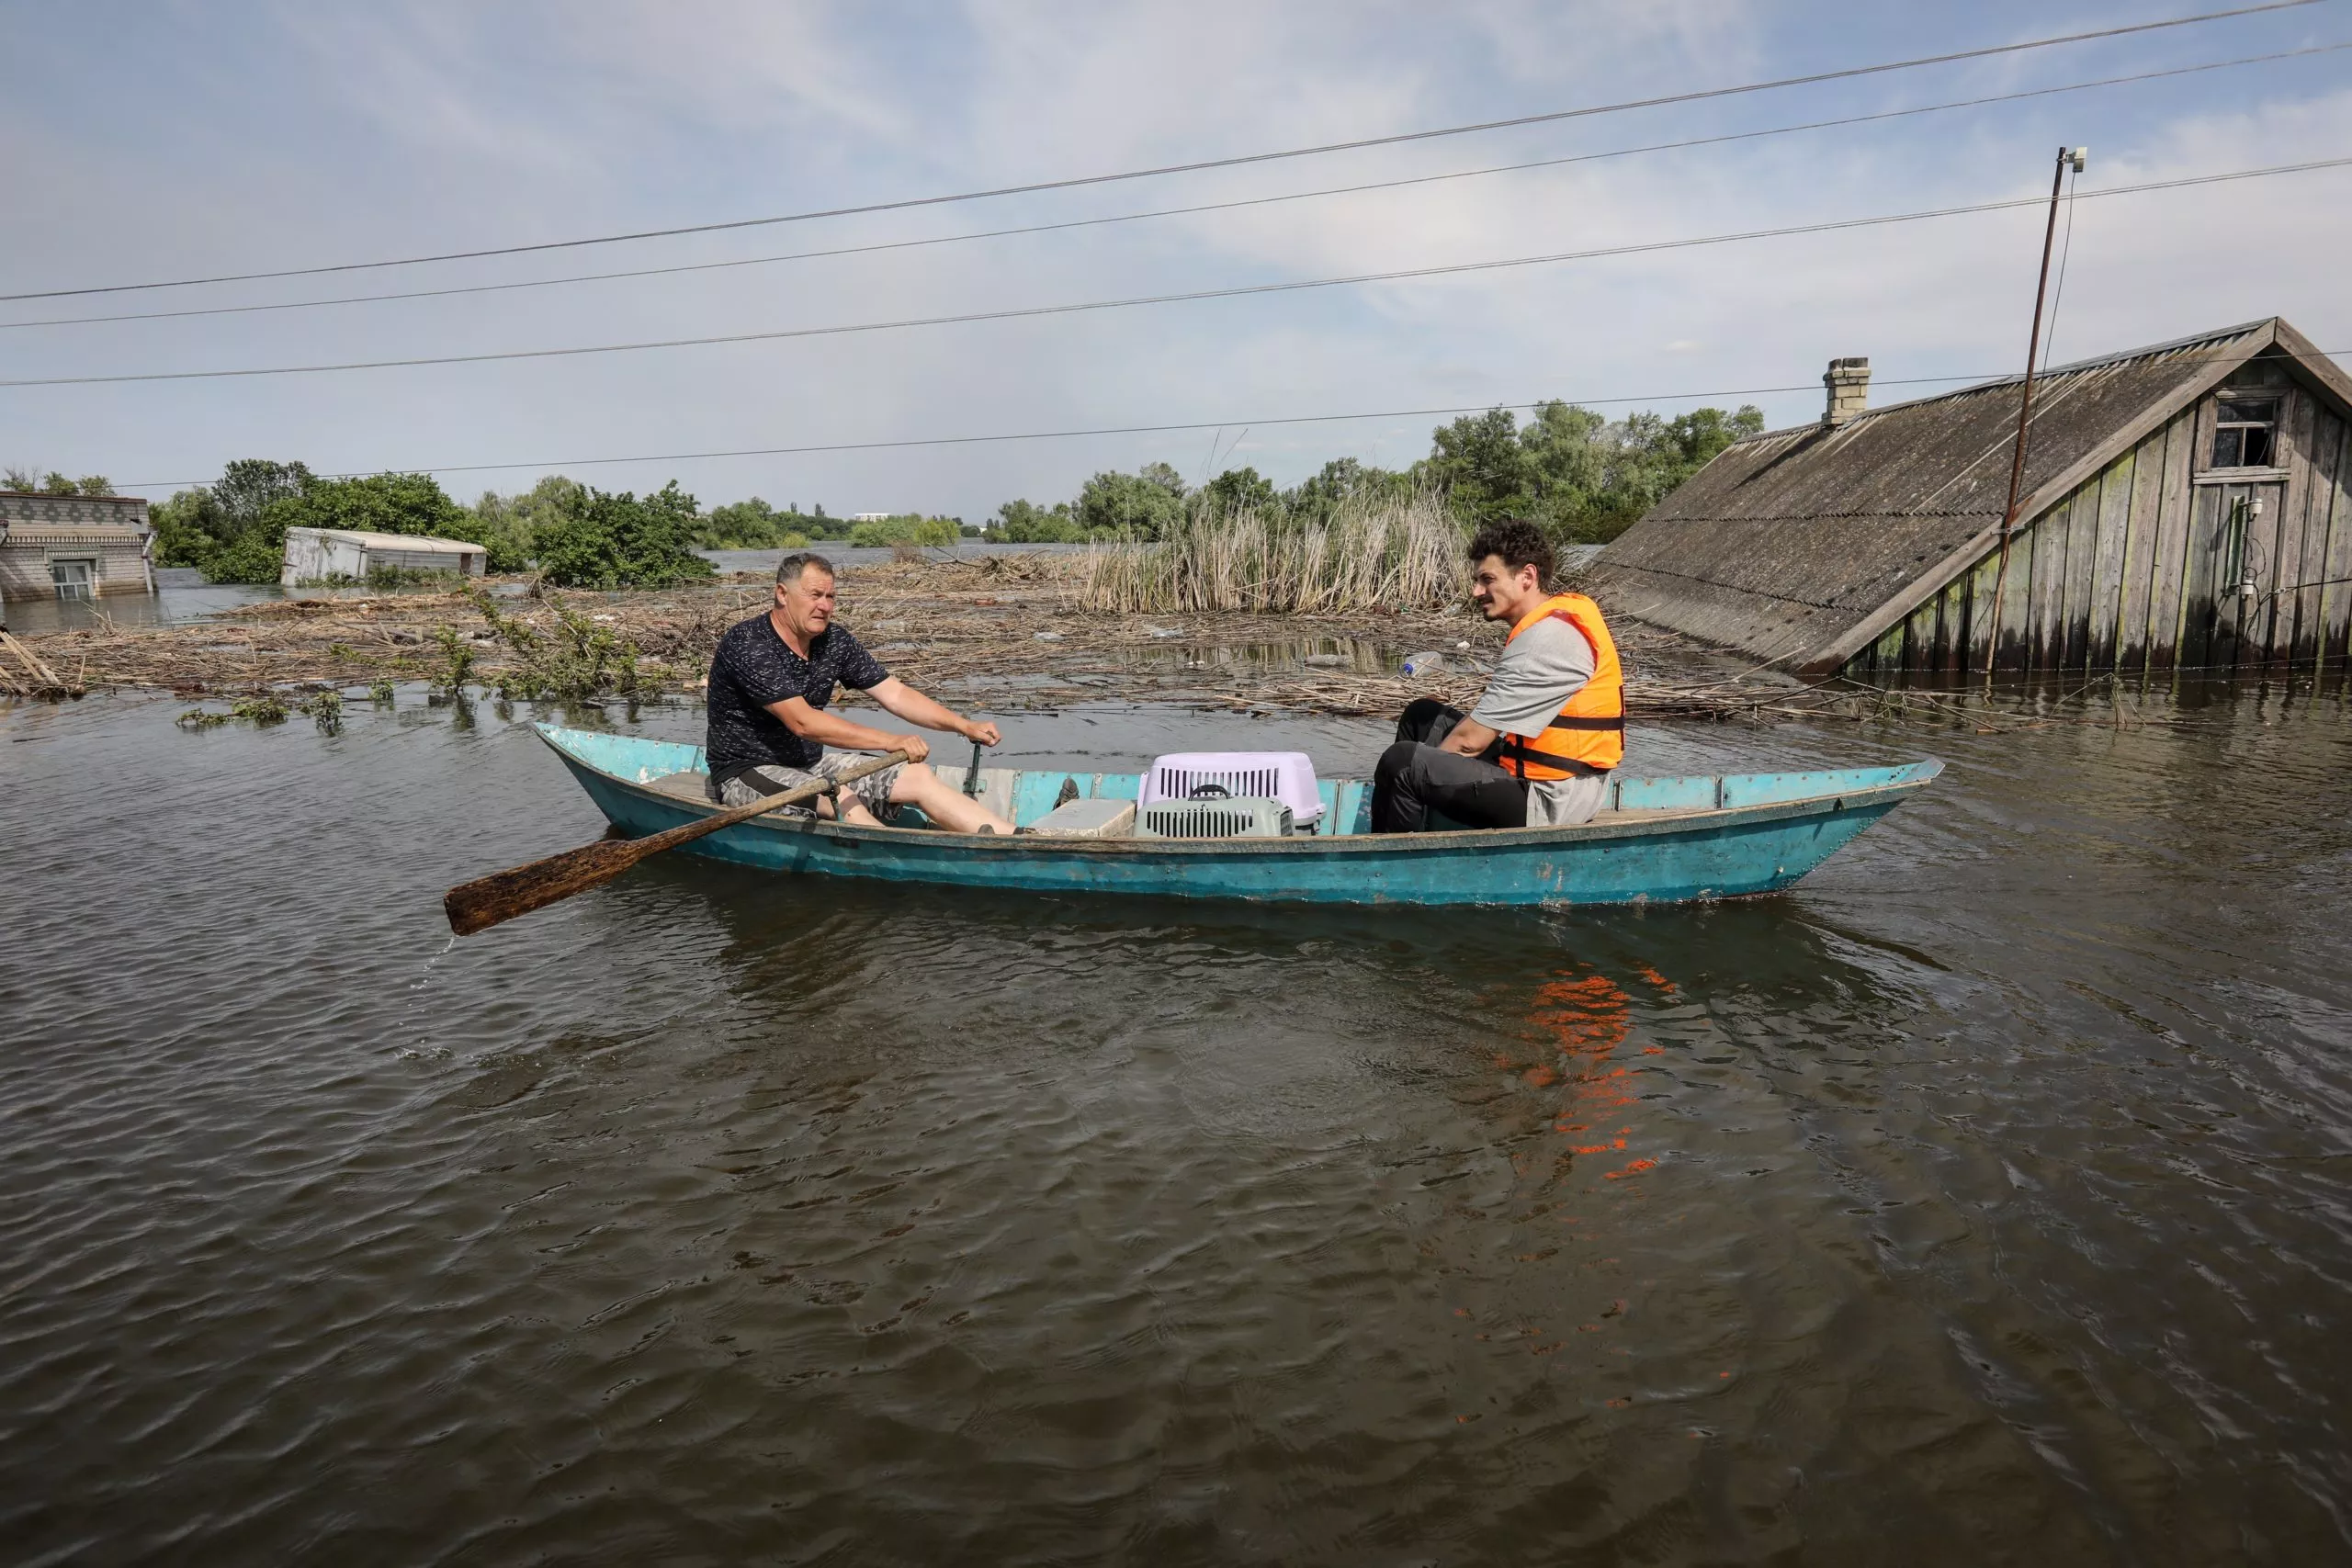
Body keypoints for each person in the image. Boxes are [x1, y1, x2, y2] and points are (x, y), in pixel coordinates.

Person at [703, 551, 1018, 834]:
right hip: (746, 770)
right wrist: (889, 741)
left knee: (918, 776)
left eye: (830, 597)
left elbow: (895, 694)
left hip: (810, 764)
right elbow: (803, 723)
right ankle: (895, 863)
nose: (824, 606)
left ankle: (1014, 841)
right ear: (782, 594)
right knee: (839, 796)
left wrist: (963, 725)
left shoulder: (833, 641)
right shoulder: (748, 643)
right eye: (814, 595)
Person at [1370, 519, 1624, 834]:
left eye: (1487, 579)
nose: (1477, 591)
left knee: (1401, 765)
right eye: (1477, 580)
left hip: (1552, 800)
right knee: (1421, 715)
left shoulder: (1546, 640)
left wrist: (1420, 775)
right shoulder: (1553, 621)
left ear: (1527, 576)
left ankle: (1391, 870)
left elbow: (1469, 744)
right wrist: (1433, 773)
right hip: (1552, 780)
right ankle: (1415, 819)